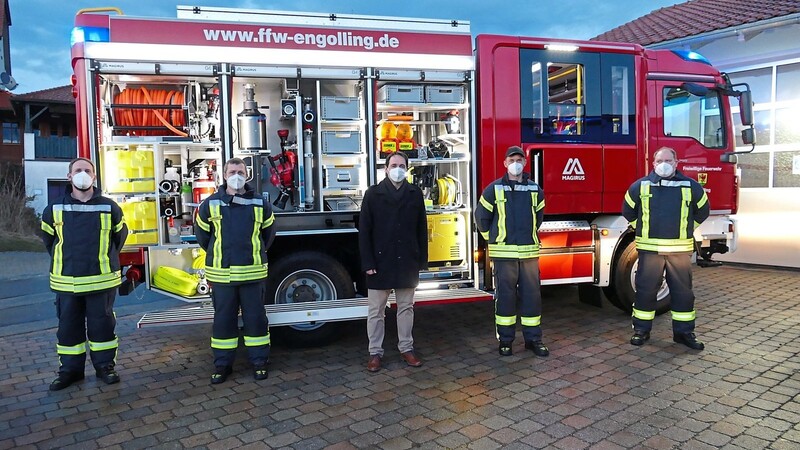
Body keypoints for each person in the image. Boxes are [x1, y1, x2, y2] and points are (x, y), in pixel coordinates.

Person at [40, 157, 128, 391]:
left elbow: (118, 238)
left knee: (102, 328)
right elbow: (49, 241)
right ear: (69, 177)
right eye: (77, 170)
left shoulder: (110, 207)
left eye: (87, 170)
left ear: (94, 176)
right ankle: (70, 371)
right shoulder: (54, 208)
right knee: (68, 328)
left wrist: (106, 259)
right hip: (66, 282)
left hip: (101, 281)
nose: (82, 174)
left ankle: (105, 367)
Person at [195, 158, 276, 384]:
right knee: (223, 321)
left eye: (240, 171)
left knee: (256, 321)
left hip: (252, 274)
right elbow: (203, 238)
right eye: (232, 171)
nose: (236, 175)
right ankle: (222, 365)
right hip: (222, 277)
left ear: (247, 174)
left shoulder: (261, 203)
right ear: (224, 175)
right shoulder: (209, 204)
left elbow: (268, 235)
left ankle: (259, 362)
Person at [622, 147, 709, 350]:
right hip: (650, 250)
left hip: (679, 251)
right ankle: (641, 331)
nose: (664, 163)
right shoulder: (640, 186)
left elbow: (703, 210)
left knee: (683, 294)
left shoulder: (691, 186)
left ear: (676, 162)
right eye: (660, 160)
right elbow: (628, 210)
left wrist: (687, 228)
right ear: (653, 163)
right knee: (645, 292)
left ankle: (684, 334)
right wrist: (642, 229)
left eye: (668, 160)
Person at [475, 146, 548, 358]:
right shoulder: (493, 189)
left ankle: (533, 340)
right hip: (504, 255)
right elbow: (481, 219)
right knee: (505, 298)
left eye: (519, 159)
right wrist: (494, 240)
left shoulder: (535, 189)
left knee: (532, 298)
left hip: (528, 254)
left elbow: (539, 218)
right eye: (512, 159)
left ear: (525, 163)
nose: (516, 163)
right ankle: (505, 341)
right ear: (505, 163)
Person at [358, 151, 428, 372]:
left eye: (402, 165)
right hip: (380, 262)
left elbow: (421, 229)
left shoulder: (414, 194)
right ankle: (375, 353)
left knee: (406, 308)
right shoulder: (373, 194)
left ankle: (406, 348)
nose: (398, 168)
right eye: (394, 164)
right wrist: (367, 262)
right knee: (376, 311)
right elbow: (365, 231)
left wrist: (422, 260)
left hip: (407, 261)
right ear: (386, 168)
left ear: (407, 168)